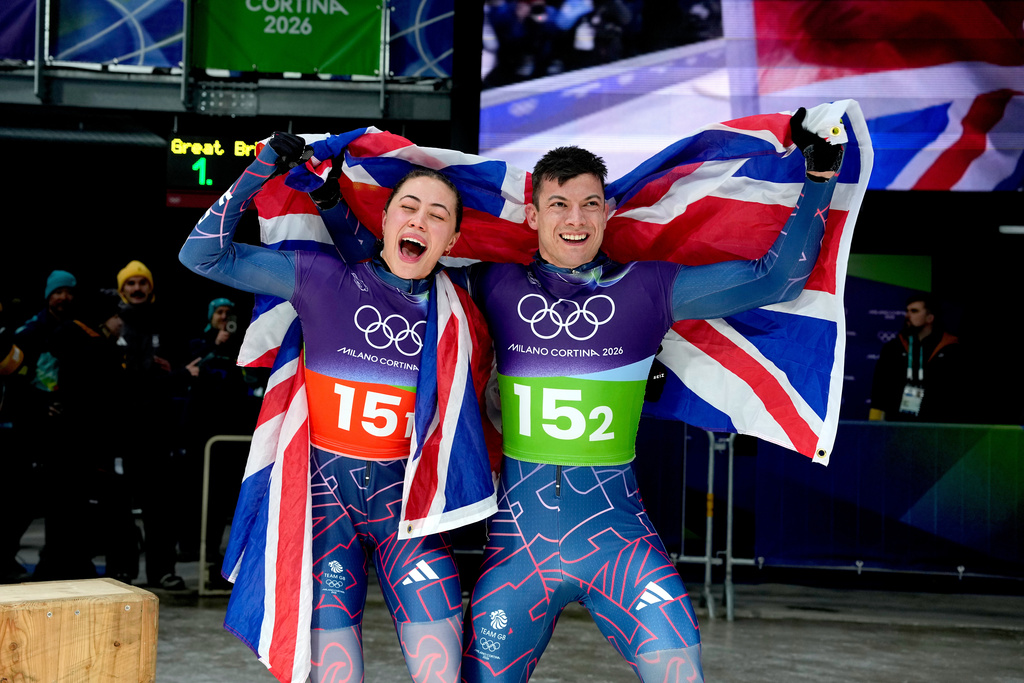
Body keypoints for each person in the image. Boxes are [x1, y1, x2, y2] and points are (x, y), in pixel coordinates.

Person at [316, 109, 842, 682]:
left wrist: (820, 180)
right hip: (520, 559)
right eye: (560, 205)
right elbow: (393, 273)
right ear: (535, 215)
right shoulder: (494, 282)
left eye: (590, 203)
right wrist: (331, 205)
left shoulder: (648, 287)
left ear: (607, 212)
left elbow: (777, 278)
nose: (576, 218)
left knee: (681, 670)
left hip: (624, 549)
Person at [179, 135, 494, 683]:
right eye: (408, 208)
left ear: (454, 237)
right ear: (386, 218)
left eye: (437, 215)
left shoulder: (464, 301)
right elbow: (200, 253)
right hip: (326, 510)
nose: (419, 222)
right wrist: (258, 171)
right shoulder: (321, 279)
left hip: (410, 514)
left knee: (442, 674)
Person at [116, 259, 189, 590]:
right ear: (122, 290)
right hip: (123, 431)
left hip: (159, 431)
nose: (137, 288)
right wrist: (155, 373)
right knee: (119, 505)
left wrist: (168, 375)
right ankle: (122, 571)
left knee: (160, 507)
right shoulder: (114, 327)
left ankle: (161, 571)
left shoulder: (167, 324)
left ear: (151, 288)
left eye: (141, 282)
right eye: (130, 284)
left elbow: (177, 372)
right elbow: (125, 380)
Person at [869, 294, 964, 422]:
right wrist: (874, 426)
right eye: (907, 311)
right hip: (897, 425)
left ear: (930, 318)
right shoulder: (893, 348)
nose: (907, 316)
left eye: (914, 311)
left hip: (938, 427)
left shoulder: (951, 349)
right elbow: (879, 392)